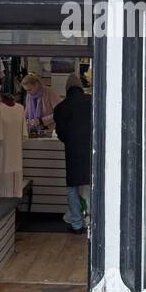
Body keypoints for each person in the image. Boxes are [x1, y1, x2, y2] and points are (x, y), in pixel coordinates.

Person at [51, 73, 92, 233]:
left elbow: (61, 133)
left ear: (67, 89)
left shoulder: (61, 108)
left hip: (73, 153)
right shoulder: (93, 102)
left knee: (72, 188)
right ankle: (91, 222)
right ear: (80, 88)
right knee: (92, 186)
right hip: (92, 151)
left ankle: (76, 224)